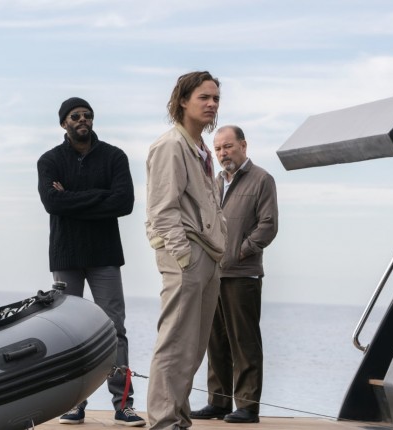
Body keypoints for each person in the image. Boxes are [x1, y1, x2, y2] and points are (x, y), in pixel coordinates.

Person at [37, 97, 146, 427]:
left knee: (115, 329)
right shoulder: (49, 161)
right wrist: (100, 196)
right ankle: (74, 404)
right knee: (69, 332)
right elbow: (52, 203)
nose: (82, 119)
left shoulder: (114, 157)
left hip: (105, 255)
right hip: (66, 255)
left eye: (87, 115)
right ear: (64, 123)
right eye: (75, 116)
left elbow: (124, 203)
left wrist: (71, 198)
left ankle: (123, 404)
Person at [145, 71, 227, 430]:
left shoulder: (201, 148)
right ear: (182, 101)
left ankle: (178, 418)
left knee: (193, 347)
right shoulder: (170, 146)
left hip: (208, 254)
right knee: (176, 342)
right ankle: (164, 422)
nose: (212, 104)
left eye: (216, 99)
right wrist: (183, 256)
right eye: (203, 98)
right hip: (188, 254)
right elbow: (162, 209)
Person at [190, 125, 278, 424]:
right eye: (218, 149)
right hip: (214, 273)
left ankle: (247, 407)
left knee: (244, 341)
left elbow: (268, 226)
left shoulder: (262, 179)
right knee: (215, 341)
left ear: (243, 145)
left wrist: (240, 251)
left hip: (243, 273)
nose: (223, 153)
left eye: (228, 146)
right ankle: (218, 402)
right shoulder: (214, 182)